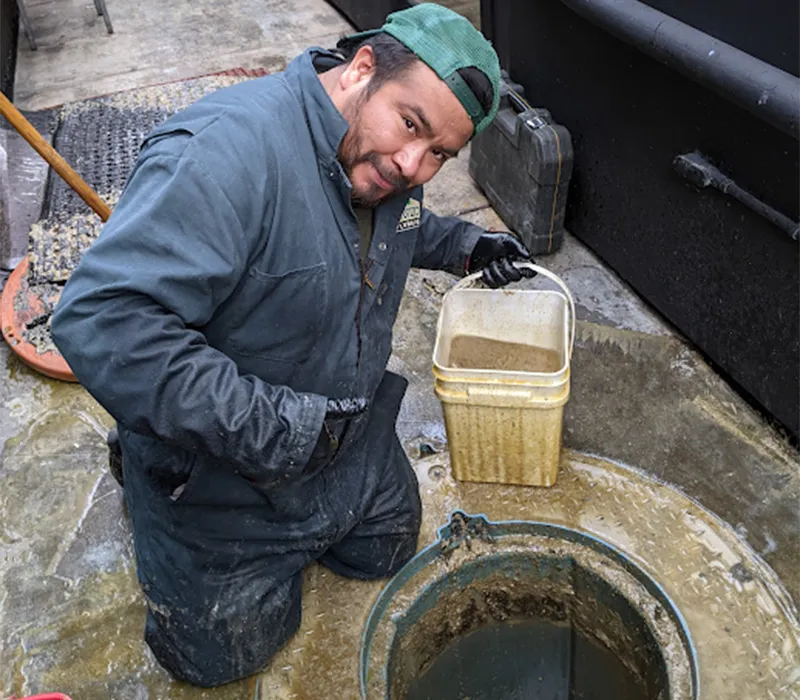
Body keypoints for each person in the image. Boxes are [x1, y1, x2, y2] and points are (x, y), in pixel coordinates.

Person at [51, 3, 534, 688]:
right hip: (227, 471)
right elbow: (102, 322)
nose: (411, 164)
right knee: (224, 659)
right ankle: (144, 464)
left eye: (440, 154)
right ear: (362, 68)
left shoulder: (385, 169)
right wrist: (278, 429)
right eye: (411, 125)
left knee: (388, 549)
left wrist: (468, 246)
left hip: (344, 437)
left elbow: (401, 225)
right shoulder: (228, 155)